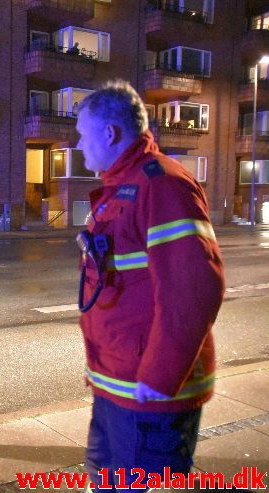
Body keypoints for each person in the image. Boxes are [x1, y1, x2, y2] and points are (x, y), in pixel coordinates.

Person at [74, 80, 224, 491]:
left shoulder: (161, 184)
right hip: (118, 384)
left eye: (83, 135)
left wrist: (159, 377)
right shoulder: (124, 185)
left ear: (110, 133)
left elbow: (194, 289)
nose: (78, 145)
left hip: (148, 393)